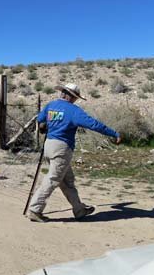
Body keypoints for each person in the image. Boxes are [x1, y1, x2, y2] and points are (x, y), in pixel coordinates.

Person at [28, 83, 122, 222]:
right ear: (73, 97)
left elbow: (40, 120)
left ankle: (79, 210)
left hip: (49, 145)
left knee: (67, 181)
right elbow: (94, 124)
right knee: (53, 179)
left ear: (63, 93)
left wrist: (45, 126)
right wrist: (113, 133)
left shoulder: (51, 105)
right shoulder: (73, 111)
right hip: (62, 148)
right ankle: (35, 210)